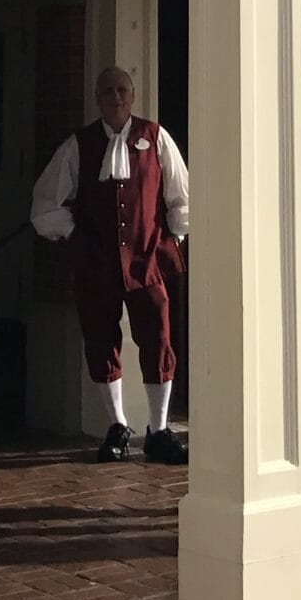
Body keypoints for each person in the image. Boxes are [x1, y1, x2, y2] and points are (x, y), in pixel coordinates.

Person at [31, 66, 189, 463]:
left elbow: (181, 196)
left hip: (147, 259)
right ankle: (117, 426)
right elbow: (46, 204)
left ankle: (159, 428)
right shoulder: (78, 145)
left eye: (122, 90)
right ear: (98, 98)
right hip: (97, 263)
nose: (115, 97)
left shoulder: (155, 138)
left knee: (158, 336)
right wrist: (73, 237)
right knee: (101, 339)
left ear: (133, 95)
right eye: (107, 91)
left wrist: (171, 238)